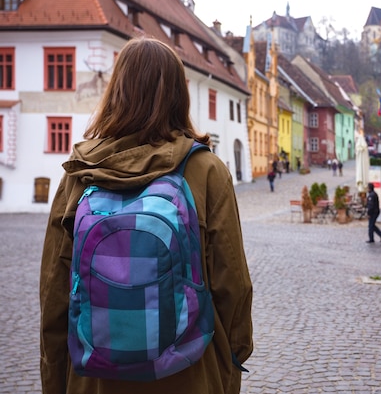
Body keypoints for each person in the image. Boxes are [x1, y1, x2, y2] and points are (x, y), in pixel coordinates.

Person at [39, 37, 253, 394]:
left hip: (93, 379)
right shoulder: (205, 170)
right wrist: (231, 362)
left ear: (116, 91)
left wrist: (55, 378)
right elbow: (233, 284)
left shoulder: (79, 173)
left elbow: (54, 291)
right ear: (178, 95)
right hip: (191, 372)